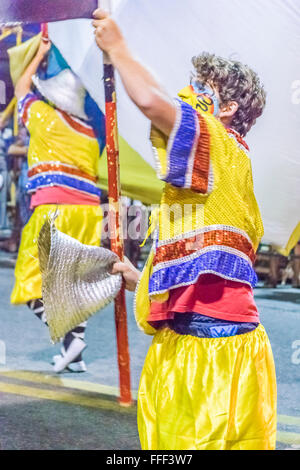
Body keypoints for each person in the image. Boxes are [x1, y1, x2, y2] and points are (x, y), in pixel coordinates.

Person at [93, 10, 277, 450]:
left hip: (208, 354)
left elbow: (153, 102)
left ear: (227, 109)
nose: (188, 94)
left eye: (201, 90)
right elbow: (206, 262)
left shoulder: (215, 143)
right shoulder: (228, 170)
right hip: (216, 348)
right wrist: (142, 279)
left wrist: (117, 49)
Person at [11, 38, 104, 373]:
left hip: (55, 209)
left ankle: (65, 330)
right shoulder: (91, 133)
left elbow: (21, 86)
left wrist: (38, 54)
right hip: (90, 213)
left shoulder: (43, 117)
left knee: (29, 280)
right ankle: (74, 354)